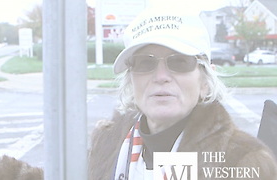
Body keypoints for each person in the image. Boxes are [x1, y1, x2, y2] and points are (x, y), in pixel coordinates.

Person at [88, 2, 277, 180]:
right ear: (131, 79)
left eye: (179, 62)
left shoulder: (245, 162)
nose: (161, 76)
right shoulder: (106, 144)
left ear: (205, 81)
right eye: (145, 62)